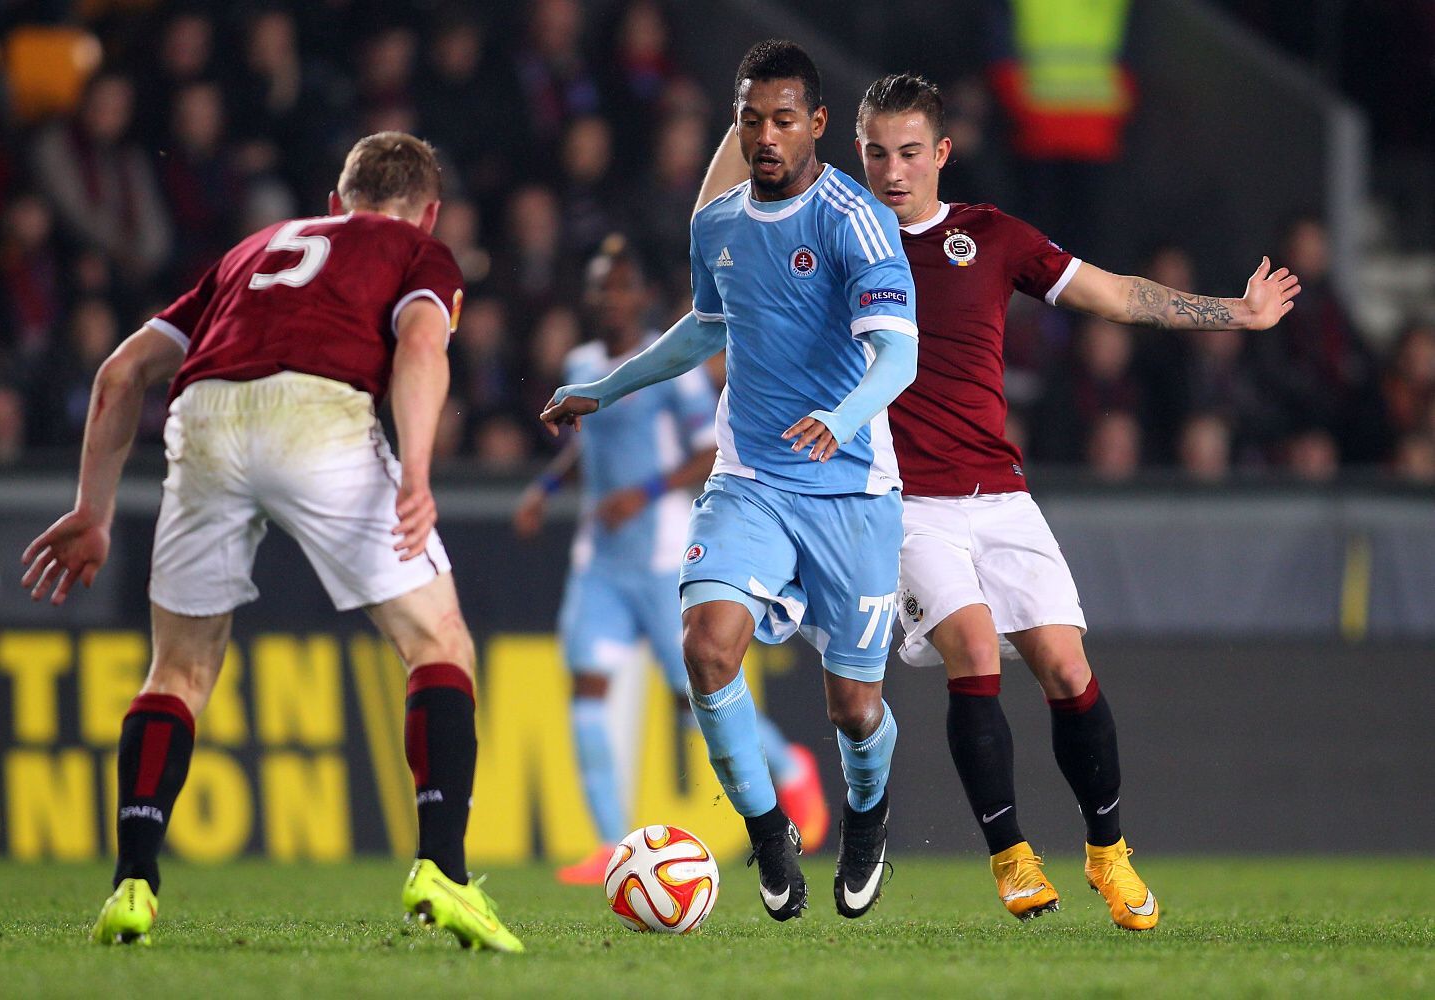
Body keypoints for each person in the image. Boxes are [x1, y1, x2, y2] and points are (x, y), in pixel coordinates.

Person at [697, 72, 1300, 930]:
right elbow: (723, 224)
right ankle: (1012, 855)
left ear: (943, 152)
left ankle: (1108, 852)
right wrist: (750, 122)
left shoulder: (990, 236)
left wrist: (1237, 314)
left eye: (911, 152)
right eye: (877, 153)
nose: (893, 171)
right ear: (855, 153)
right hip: (901, 502)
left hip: (1002, 492)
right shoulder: (830, 234)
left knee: (1066, 666)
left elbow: (1116, 294)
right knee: (974, 650)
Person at [20, 131, 523, 953]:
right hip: (318, 415)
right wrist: (417, 472)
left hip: (205, 418)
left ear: (334, 203)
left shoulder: (251, 252)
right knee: (439, 642)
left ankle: (133, 884)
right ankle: (444, 869)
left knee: (178, 670)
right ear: (430, 214)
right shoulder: (417, 251)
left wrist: (93, 510)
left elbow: (119, 372)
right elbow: (421, 345)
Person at [542, 40, 918, 922]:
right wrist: (606, 388)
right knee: (708, 647)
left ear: (817, 123)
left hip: (853, 490)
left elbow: (899, 356)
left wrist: (842, 419)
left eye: (783, 120)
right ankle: (767, 831)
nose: (766, 137)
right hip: (750, 479)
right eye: (751, 121)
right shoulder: (716, 224)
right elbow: (705, 329)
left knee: (854, 707)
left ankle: (867, 816)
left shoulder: (855, 220)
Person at [515, 239, 829, 884]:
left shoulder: (672, 368)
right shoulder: (581, 365)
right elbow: (586, 443)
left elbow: (706, 449)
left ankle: (791, 768)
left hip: (661, 557)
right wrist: (545, 487)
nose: (610, 298)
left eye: (621, 286)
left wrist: (644, 493)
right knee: (587, 687)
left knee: (696, 698)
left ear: (643, 297)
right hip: (600, 561)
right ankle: (609, 844)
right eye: (601, 286)